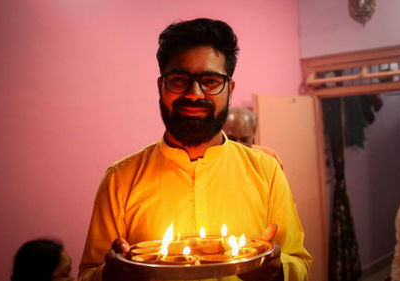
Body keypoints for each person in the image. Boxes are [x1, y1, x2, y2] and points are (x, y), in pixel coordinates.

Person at [79, 18, 311, 281]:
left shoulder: (266, 172)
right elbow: (88, 273)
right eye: (179, 80)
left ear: (230, 90)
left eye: (210, 81)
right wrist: (109, 276)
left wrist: (278, 271)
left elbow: (299, 261)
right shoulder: (120, 180)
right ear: (160, 86)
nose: (194, 94)